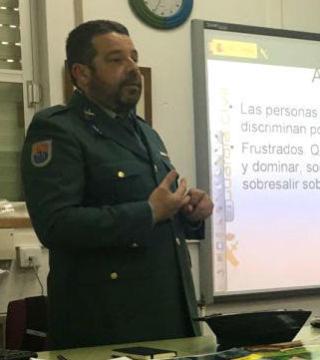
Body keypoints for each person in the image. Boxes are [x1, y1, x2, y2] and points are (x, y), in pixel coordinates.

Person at [21, 20, 213, 349]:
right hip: (108, 328)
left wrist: (188, 212)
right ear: (81, 73)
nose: (132, 69)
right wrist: (148, 211)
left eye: (134, 58)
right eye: (116, 60)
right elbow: (56, 225)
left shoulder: (145, 133)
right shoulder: (59, 130)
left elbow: (161, 216)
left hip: (170, 317)